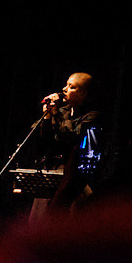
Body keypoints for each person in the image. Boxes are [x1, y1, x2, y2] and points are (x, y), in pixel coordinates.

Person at [40, 71, 105, 207]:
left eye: (71, 86)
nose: (64, 89)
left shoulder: (93, 116)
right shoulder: (63, 111)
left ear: (84, 93)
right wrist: (47, 116)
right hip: (54, 172)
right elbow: (44, 140)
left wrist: (56, 114)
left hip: (76, 182)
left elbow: (72, 137)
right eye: (66, 85)